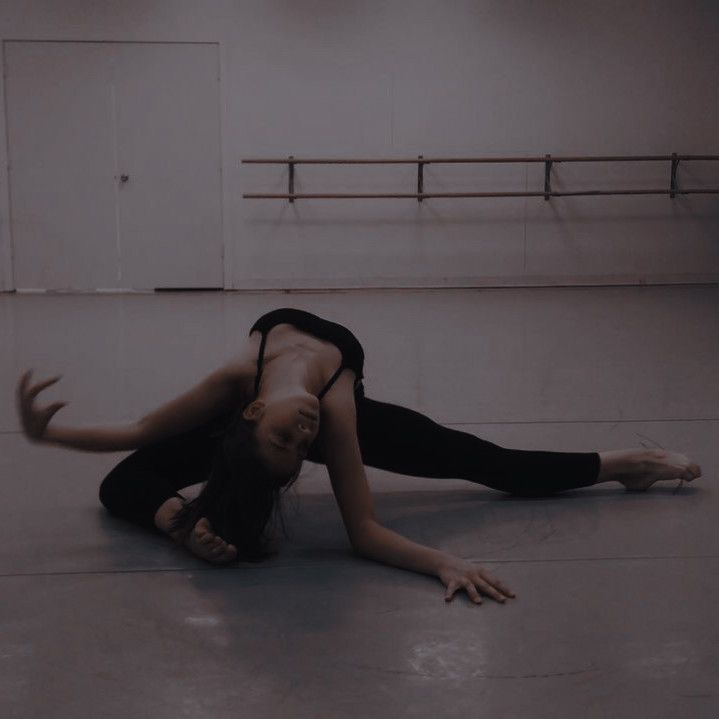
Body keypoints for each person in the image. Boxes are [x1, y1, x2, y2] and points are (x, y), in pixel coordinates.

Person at [15, 307, 702, 606]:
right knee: (125, 481)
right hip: (255, 432)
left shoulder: (279, 397)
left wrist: (47, 434)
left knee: (482, 458)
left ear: (256, 415)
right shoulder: (300, 407)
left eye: (294, 439)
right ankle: (184, 523)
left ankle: (624, 462)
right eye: (299, 447)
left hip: (289, 423)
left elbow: (135, 423)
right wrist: (445, 562)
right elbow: (363, 530)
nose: (305, 434)